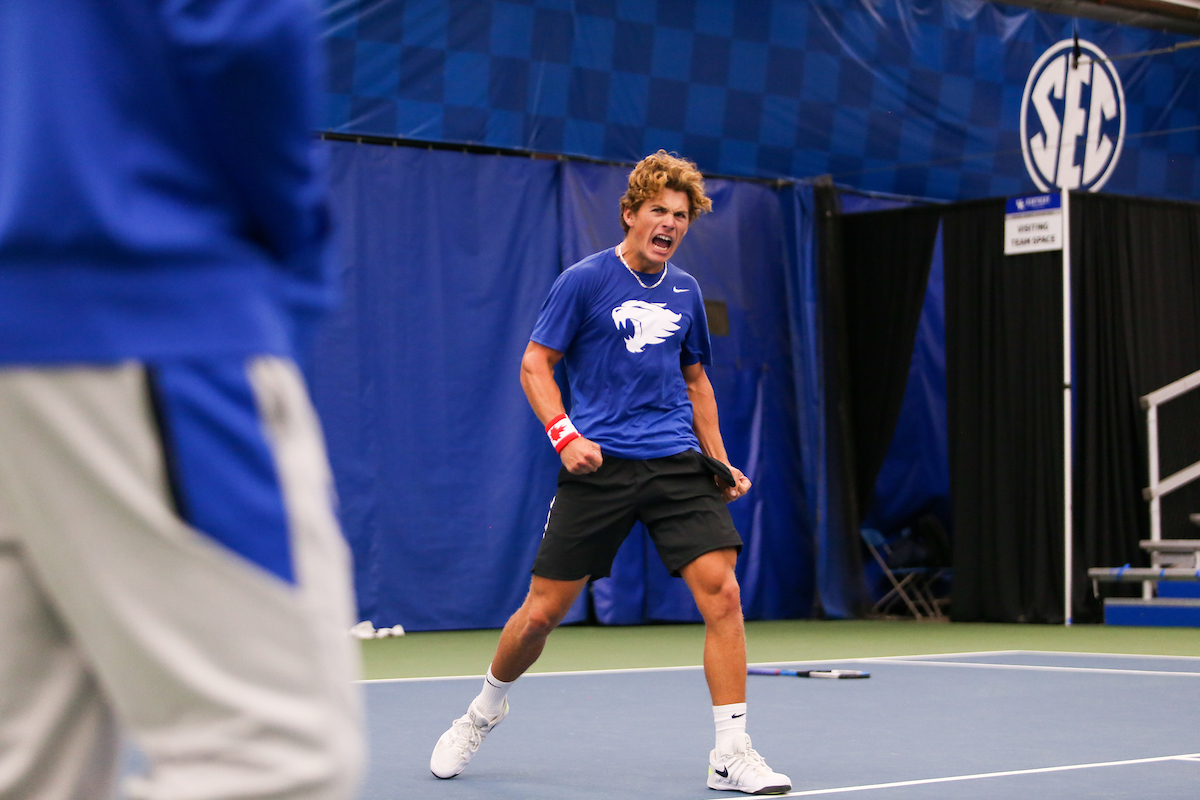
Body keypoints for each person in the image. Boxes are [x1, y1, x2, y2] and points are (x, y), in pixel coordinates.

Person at [0, 3, 363, 799]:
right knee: (274, 759)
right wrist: (294, 267)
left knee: (29, 771)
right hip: (140, 308)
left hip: (57, 325)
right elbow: (246, 37)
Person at [430, 151, 791, 795]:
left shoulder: (685, 291)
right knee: (541, 615)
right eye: (658, 210)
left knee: (723, 594)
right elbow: (535, 364)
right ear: (630, 214)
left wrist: (717, 459)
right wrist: (564, 435)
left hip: (675, 460)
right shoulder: (584, 281)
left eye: (681, 215)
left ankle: (731, 753)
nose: (670, 223)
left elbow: (696, 381)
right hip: (600, 465)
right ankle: (482, 712)